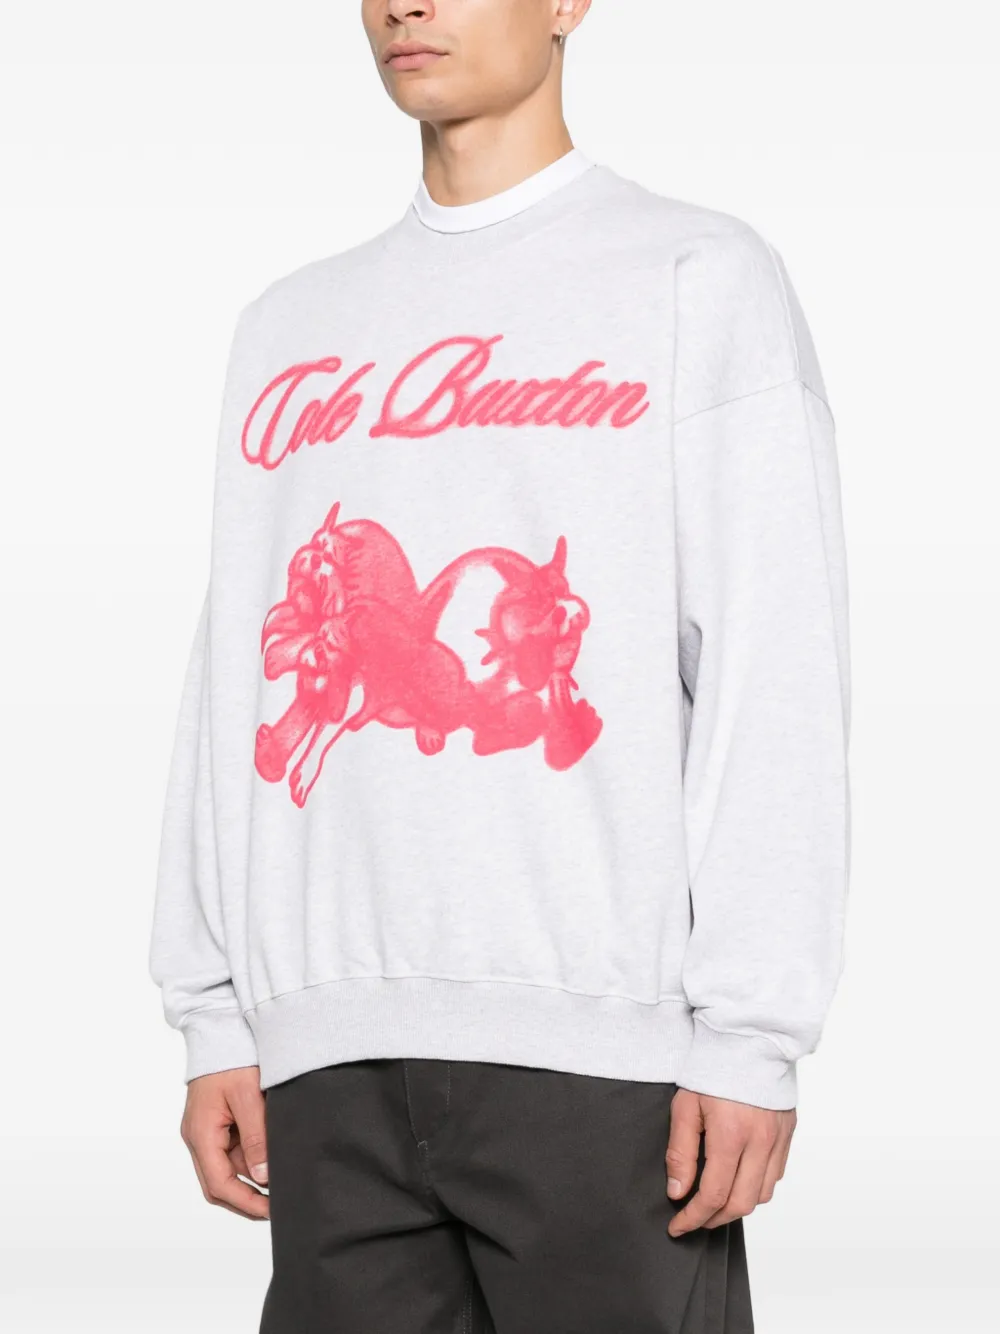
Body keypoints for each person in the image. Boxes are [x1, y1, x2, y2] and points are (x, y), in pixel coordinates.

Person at [149, 2, 850, 1330]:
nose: (407, 3)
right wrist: (216, 1011)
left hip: (606, 1062)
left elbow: (772, 664)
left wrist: (752, 1032)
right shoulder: (288, 325)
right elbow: (237, 668)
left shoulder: (694, 276)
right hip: (329, 1056)